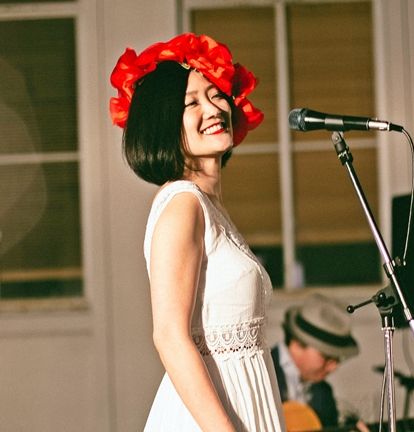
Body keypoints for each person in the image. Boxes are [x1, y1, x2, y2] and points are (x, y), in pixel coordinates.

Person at [109, 33, 285, 431]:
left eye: (216, 95)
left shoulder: (209, 207)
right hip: (211, 417)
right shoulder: (183, 205)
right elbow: (169, 336)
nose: (214, 108)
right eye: (192, 103)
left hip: (244, 398)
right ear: (164, 125)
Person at [271, 294, 361, 429]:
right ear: (297, 344)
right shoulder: (261, 374)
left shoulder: (325, 393)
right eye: (327, 357)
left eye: (338, 359)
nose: (333, 367)